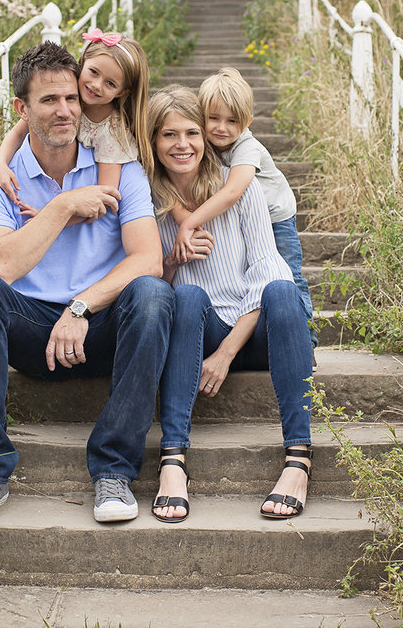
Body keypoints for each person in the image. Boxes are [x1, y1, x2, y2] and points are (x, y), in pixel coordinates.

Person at [0, 41, 172, 526]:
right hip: (30, 333)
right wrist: (63, 206)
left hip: (99, 327)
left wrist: (81, 308)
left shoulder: (121, 167)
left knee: (154, 295)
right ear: (21, 109)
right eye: (49, 100)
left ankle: (114, 470)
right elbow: (0, 267)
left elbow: (148, 258)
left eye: (72, 98)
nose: (65, 110)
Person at [142, 85, 315, 523]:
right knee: (184, 292)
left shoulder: (241, 189)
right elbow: (151, 292)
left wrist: (224, 354)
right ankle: (172, 459)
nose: (183, 145)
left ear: (206, 137)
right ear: (153, 141)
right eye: (169, 135)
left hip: (251, 330)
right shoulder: (148, 203)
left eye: (192, 133)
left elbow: (269, 273)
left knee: (282, 290)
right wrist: (171, 261)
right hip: (198, 326)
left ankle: (298, 459)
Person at [165, 68, 316, 346]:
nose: (221, 128)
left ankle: (305, 337)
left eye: (232, 120)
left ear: (246, 122)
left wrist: (188, 221)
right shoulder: (203, 143)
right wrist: (178, 211)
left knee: (288, 277)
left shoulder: (247, 147)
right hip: (246, 219)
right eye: (213, 118)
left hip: (276, 217)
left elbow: (233, 191)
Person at [0, 29, 150, 215]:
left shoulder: (112, 133)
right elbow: (18, 131)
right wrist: (1, 164)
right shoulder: (66, 94)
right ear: (82, 63)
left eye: (110, 84)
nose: (96, 85)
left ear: (122, 91)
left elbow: (103, 201)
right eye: (93, 72)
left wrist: (51, 217)